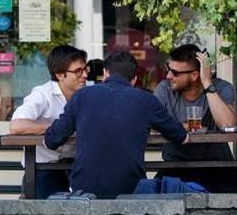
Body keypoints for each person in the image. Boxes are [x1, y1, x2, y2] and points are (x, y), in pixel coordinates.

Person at [44, 50, 188, 198]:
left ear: (106, 73)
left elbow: (51, 139)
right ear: (134, 80)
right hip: (131, 189)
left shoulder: (82, 96)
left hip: (84, 189)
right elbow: (181, 136)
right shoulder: (146, 100)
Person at [153, 44, 237, 192]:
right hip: (175, 166)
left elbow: (228, 124)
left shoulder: (220, 87)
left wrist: (207, 83)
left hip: (216, 167)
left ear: (194, 75)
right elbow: (153, 123)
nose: (168, 76)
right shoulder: (165, 89)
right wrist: (185, 127)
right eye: (168, 69)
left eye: (175, 72)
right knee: (152, 194)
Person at [9, 45, 87, 198]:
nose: (84, 75)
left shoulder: (87, 94)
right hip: (43, 169)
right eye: (78, 71)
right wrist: (57, 128)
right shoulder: (42, 94)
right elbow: (16, 125)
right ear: (59, 74)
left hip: (76, 167)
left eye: (85, 69)